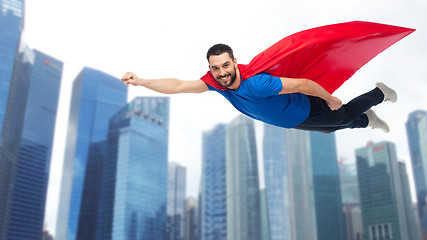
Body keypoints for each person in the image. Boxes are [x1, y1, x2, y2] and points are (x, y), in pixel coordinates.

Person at [121, 44, 396, 133]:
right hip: (291, 121)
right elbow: (179, 85)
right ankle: (367, 119)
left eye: (225, 66)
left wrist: (328, 98)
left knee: (342, 116)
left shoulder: (257, 83)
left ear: (234, 62)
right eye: (216, 68)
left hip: (304, 107)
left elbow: (302, 84)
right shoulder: (216, 83)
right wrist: (142, 81)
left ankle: (379, 94)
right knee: (330, 130)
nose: (222, 73)